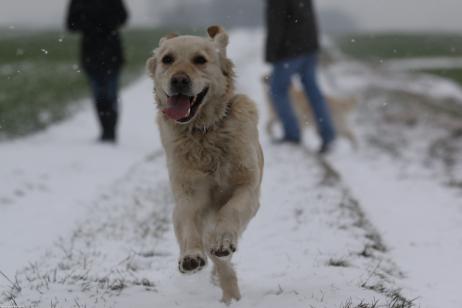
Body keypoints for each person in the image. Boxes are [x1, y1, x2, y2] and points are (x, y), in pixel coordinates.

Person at [265, 0, 336, 153]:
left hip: (289, 50)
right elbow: (310, 16)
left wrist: (271, 54)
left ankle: (292, 134)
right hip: (308, 47)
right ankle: (328, 134)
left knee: (277, 90)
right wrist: (314, 44)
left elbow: (276, 23)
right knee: (313, 91)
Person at [66, 0, 128, 142]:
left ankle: (110, 131)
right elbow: (70, 24)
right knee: (100, 95)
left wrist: (97, 22)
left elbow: (123, 17)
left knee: (110, 94)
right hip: (93, 55)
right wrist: (94, 22)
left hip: (109, 54)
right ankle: (106, 131)